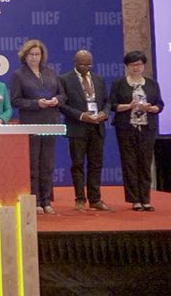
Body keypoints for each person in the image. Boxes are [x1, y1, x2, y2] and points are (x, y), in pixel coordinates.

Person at [9, 39, 66, 215]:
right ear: (24, 56)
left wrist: (56, 100)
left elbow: (63, 95)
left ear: (42, 56)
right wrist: (36, 103)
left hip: (50, 122)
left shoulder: (50, 72)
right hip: (31, 122)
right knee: (33, 164)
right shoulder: (18, 75)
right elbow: (15, 101)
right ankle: (35, 201)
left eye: (37, 54)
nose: (34, 57)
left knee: (47, 164)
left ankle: (46, 200)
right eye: (31, 54)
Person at [109, 50, 164, 212]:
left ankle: (146, 199)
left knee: (145, 163)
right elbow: (112, 105)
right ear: (127, 66)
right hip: (126, 128)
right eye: (133, 65)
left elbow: (160, 104)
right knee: (130, 163)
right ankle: (135, 200)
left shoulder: (152, 84)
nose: (136, 68)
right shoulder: (119, 84)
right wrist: (129, 106)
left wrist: (152, 108)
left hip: (147, 128)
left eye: (139, 65)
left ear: (143, 66)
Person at [58, 50, 112, 212]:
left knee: (96, 164)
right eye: (82, 64)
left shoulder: (98, 79)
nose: (86, 68)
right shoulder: (64, 80)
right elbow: (62, 105)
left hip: (97, 127)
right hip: (77, 127)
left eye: (89, 64)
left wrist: (104, 113)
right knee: (78, 164)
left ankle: (95, 199)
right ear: (75, 63)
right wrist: (81, 116)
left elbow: (107, 101)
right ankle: (80, 199)